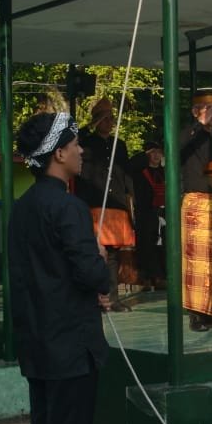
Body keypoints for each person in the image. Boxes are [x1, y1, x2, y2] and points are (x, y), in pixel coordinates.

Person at [10, 110, 117, 424]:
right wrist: (101, 268)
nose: (80, 151)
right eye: (74, 145)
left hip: (38, 343)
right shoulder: (68, 207)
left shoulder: (24, 207)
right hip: (71, 347)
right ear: (57, 154)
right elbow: (88, 271)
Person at [179, 90, 212, 331]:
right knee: (198, 260)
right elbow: (174, 149)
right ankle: (196, 314)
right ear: (196, 111)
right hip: (197, 202)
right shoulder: (187, 135)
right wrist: (198, 125)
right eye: (209, 109)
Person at [75, 97, 135, 309]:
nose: (109, 122)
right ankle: (95, 298)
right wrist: (91, 124)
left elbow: (126, 174)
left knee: (113, 255)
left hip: (116, 204)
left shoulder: (120, 144)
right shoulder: (85, 142)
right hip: (93, 203)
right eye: (105, 119)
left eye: (111, 118)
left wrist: (130, 201)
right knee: (95, 252)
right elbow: (73, 137)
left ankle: (112, 298)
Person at [128, 135, 167, 290]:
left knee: (163, 244)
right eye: (152, 152)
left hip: (163, 212)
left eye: (159, 152)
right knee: (146, 245)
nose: (156, 155)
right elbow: (129, 165)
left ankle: (161, 276)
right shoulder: (139, 172)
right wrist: (144, 154)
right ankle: (147, 277)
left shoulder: (165, 172)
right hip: (146, 213)